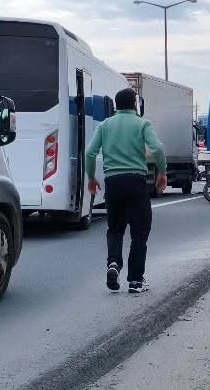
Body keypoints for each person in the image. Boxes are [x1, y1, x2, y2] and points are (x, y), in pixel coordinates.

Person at [85, 87, 166, 294]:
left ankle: (113, 263)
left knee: (115, 229)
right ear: (134, 105)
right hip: (136, 181)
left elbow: (90, 153)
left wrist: (91, 177)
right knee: (139, 232)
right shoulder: (142, 124)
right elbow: (157, 148)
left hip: (113, 182)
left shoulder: (105, 125)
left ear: (116, 105)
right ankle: (136, 281)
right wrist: (162, 172)